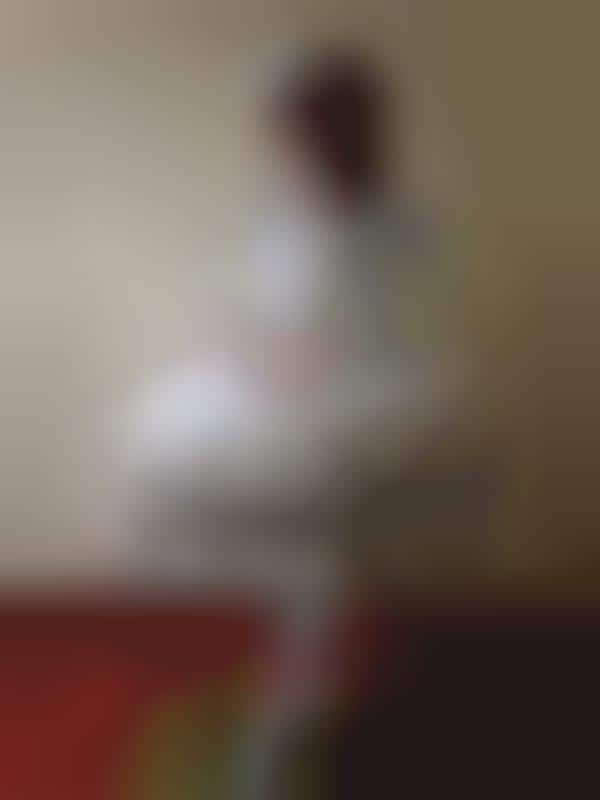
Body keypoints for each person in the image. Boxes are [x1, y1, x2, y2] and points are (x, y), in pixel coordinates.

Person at [113, 44, 466, 799]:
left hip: (357, 405)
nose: (284, 151)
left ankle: (299, 716)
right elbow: (251, 305)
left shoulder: (398, 230)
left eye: (296, 134)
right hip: (273, 392)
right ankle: (265, 697)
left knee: (320, 557)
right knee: (204, 500)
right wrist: (241, 340)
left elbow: (398, 330)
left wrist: (311, 358)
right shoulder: (277, 218)